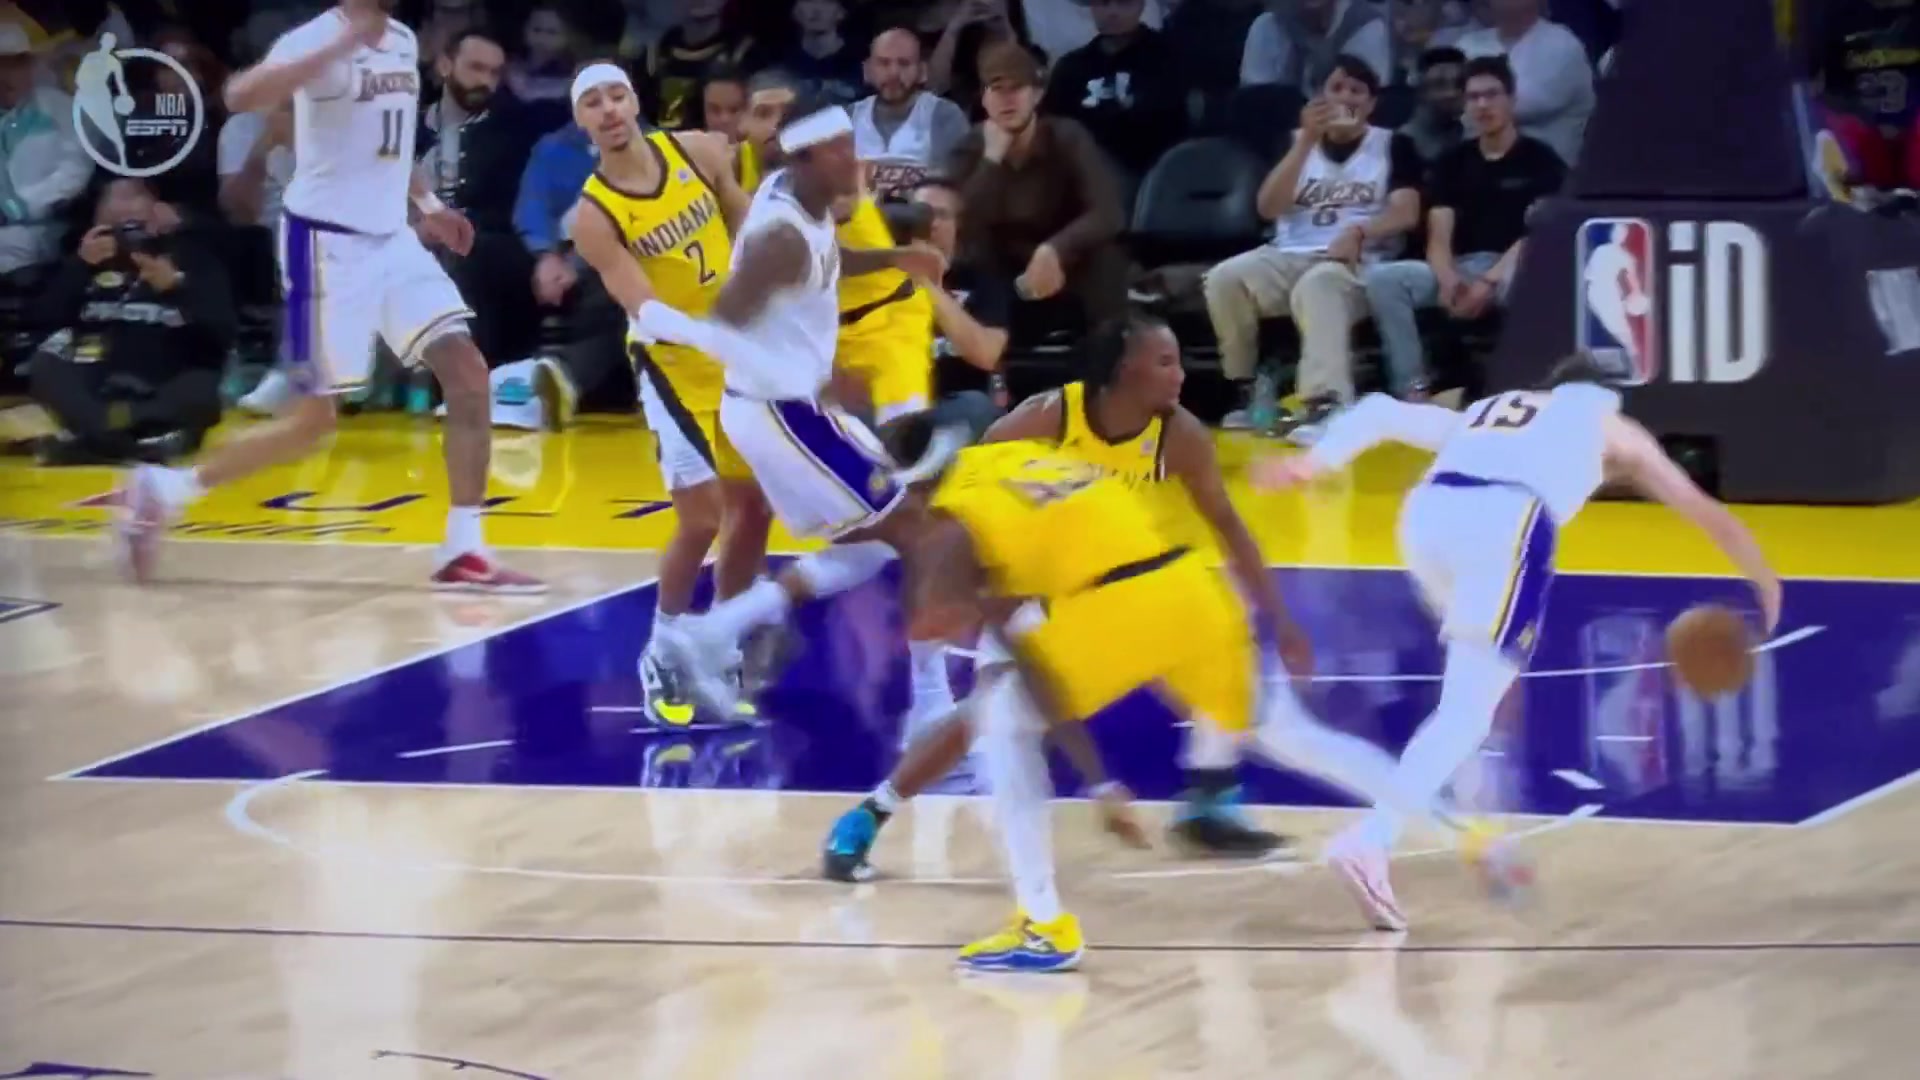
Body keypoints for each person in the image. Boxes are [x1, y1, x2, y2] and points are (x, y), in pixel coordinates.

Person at [1250, 353, 1783, 929]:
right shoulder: (1612, 424)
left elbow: (1379, 411)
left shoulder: (1491, 411)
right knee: (1468, 709)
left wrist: (1313, 462)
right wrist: (1766, 581)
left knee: (1476, 695)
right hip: (1506, 524)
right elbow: (1703, 510)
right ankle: (1372, 840)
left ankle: (1474, 823)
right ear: (1609, 394)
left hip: (1425, 520)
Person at [820, 312, 1315, 882]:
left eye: (1178, 361)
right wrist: (982, 591)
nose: (1179, 375)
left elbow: (1227, 523)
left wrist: (1281, 616)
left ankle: (1208, 800)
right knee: (987, 712)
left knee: (1219, 632)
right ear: (1124, 372)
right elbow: (972, 505)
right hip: (1034, 581)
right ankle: (874, 814)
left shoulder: (1179, 435)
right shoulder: (1043, 418)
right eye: (1164, 361)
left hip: (1122, 581)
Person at [113, 0, 541, 593]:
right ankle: (164, 490)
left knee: (469, 374)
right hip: (324, 247)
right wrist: (332, 51)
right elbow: (238, 95)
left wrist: (430, 206)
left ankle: (464, 548)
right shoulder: (317, 37)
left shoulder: (400, 39)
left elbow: (388, 145)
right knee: (312, 423)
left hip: (391, 239)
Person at [613, 97, 945, 716]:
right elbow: (724, 326)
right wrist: (807, 379)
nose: (854, 159)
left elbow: (826, 262)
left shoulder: (801, 203)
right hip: (784, 412)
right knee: (916, 532)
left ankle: (712, 632)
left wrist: (895, 258)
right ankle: (931, 710)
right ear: (807, 158)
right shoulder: (780, 239)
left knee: (877, 539)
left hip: (787, 409)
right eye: (840, 149)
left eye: (852, 144)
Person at [566, 63, 767, 727]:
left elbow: (746, 224)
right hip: (672, 363)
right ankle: (662, 649)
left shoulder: (700, 150)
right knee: (702, 517)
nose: (608, 109)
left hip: (738, 354)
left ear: (634, 101)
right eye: (592, 103)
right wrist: (712, 333)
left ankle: (721, 645)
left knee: (753, 510)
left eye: (616, 95)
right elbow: (643, 305)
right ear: (581, 121)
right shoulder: (593, 215)